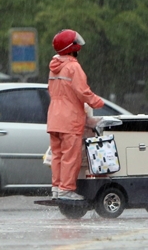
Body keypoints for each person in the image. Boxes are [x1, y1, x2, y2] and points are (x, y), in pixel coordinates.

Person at [47, 29, 104, 201]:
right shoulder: (73, 67)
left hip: (54, 118)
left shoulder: (53, 67)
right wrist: (98, 102)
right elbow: (83, 92)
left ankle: (57, 188)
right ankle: (66, 190)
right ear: (73, 48)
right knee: (71, 156)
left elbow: (52, 90)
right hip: (70, 118)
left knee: (57, 155)